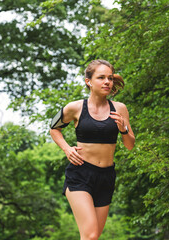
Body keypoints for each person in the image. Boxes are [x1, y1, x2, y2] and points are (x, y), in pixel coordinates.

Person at [49, 59, 135, 240]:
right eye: (101, 77)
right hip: (80, 173)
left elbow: (130, 145)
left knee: (92, 237)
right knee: (90, 235)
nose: (107, 82)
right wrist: (66, 149)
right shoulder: (75, 107)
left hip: (106, 177)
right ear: (88, 81)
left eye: (110, 78)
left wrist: (123, 129)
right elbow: (53, 128)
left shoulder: (120, 109)